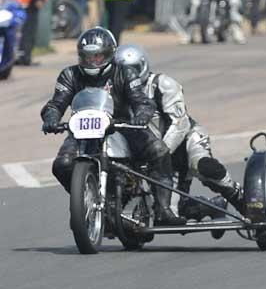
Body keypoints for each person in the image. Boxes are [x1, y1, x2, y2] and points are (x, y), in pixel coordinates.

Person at [40, 27, 185, 226]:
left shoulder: (124, 72)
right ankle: (84, 200)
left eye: (97, 56)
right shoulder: (69, 74)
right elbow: (55, 104)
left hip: (122, 125)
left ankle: (163, 208)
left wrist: (142, 116)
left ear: (109, 54)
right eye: (87, 57)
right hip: (82, 128)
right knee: (62, 164)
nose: (92, 61)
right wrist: (51, 118)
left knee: (159, 150)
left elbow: (142, 101)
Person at [114, 44, 246, 220]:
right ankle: (213, 206)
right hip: (152, 155)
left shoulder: (162, 84)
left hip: (185, 141)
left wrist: (161, 154)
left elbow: (180, 124)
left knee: (204, 166)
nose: (129, 75)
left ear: (143, 66)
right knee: (165, 214)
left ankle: (243, 200)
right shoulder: (114, 92)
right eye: (122, 71)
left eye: (133, 70)